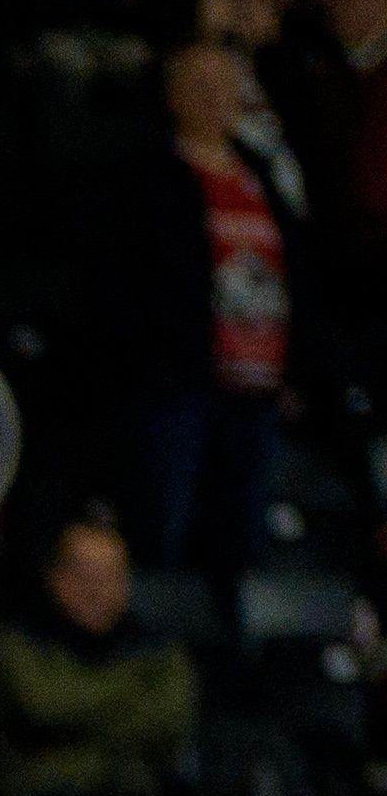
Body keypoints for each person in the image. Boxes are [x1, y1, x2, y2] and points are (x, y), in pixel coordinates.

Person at [124, 42, 302, 596]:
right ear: (173, 96)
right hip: (183, 393)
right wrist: (164, 367)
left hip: (257, 395)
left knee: (240, 550)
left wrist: (296, 372)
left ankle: (226, 674)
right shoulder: (151, 176)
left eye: (225, 84)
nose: (214, 96)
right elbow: (132, 286)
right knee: (165, 542)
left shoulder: (264, 176)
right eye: (199, 83)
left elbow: (297, 278)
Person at [0, 509, 201, 796]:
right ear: (54, 577)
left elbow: (171, 719)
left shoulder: (156, 647)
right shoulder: (20, 639)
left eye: (109, 576)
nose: (96, 590)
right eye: (83, 575)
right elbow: (44, 705)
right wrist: (133, 688)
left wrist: (81, 711)